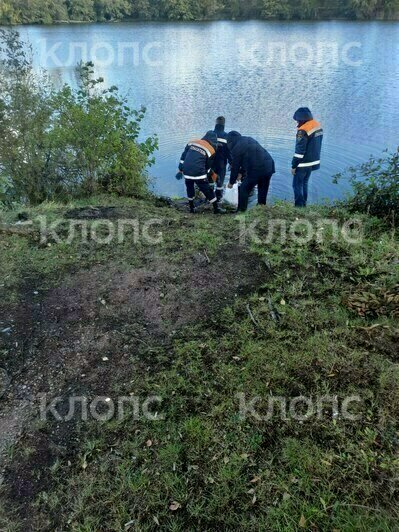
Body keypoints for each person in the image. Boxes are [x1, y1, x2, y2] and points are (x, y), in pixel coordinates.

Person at [177, 131, 225, 214]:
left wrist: (180, 169)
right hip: (198, 173)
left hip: (186, 171)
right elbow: (207, 168)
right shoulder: (211, 150)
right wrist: (213, 176)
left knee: (190, 188)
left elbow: (183, 157)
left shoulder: (192, 142)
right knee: (208, 191)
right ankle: (216, 209)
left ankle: (192, 208)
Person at [226, 131, 275, 212]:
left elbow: (235, 167)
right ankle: (261, 208)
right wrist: (241, 173)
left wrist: (231, 182)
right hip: (269, 165)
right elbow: (250, 158)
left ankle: (241, 211)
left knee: (243, 189)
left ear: (231, 141)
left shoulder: (236, 148)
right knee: (262, 188)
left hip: (257, 169)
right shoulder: (248, 139)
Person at [291, 107, 323, 207]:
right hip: (313, 162)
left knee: (296, 185)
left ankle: (299, 207)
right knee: (304, 183)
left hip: (303, 163)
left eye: (297, 120)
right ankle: (303, 204)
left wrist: (294, 166)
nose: (297, 122)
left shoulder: (302, 131)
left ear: (300, 119)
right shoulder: (317, 125)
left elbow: (299, 152)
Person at [212, 116, 231, 202]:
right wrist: (231, 163)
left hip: (210, 164)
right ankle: (218, 199)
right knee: (219, 183)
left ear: (216, 124)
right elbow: (229, 152)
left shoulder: (210, 134)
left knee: (210, 181)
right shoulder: (226, 136)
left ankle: (209, 198)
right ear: (224, 125)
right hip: (221, 164)